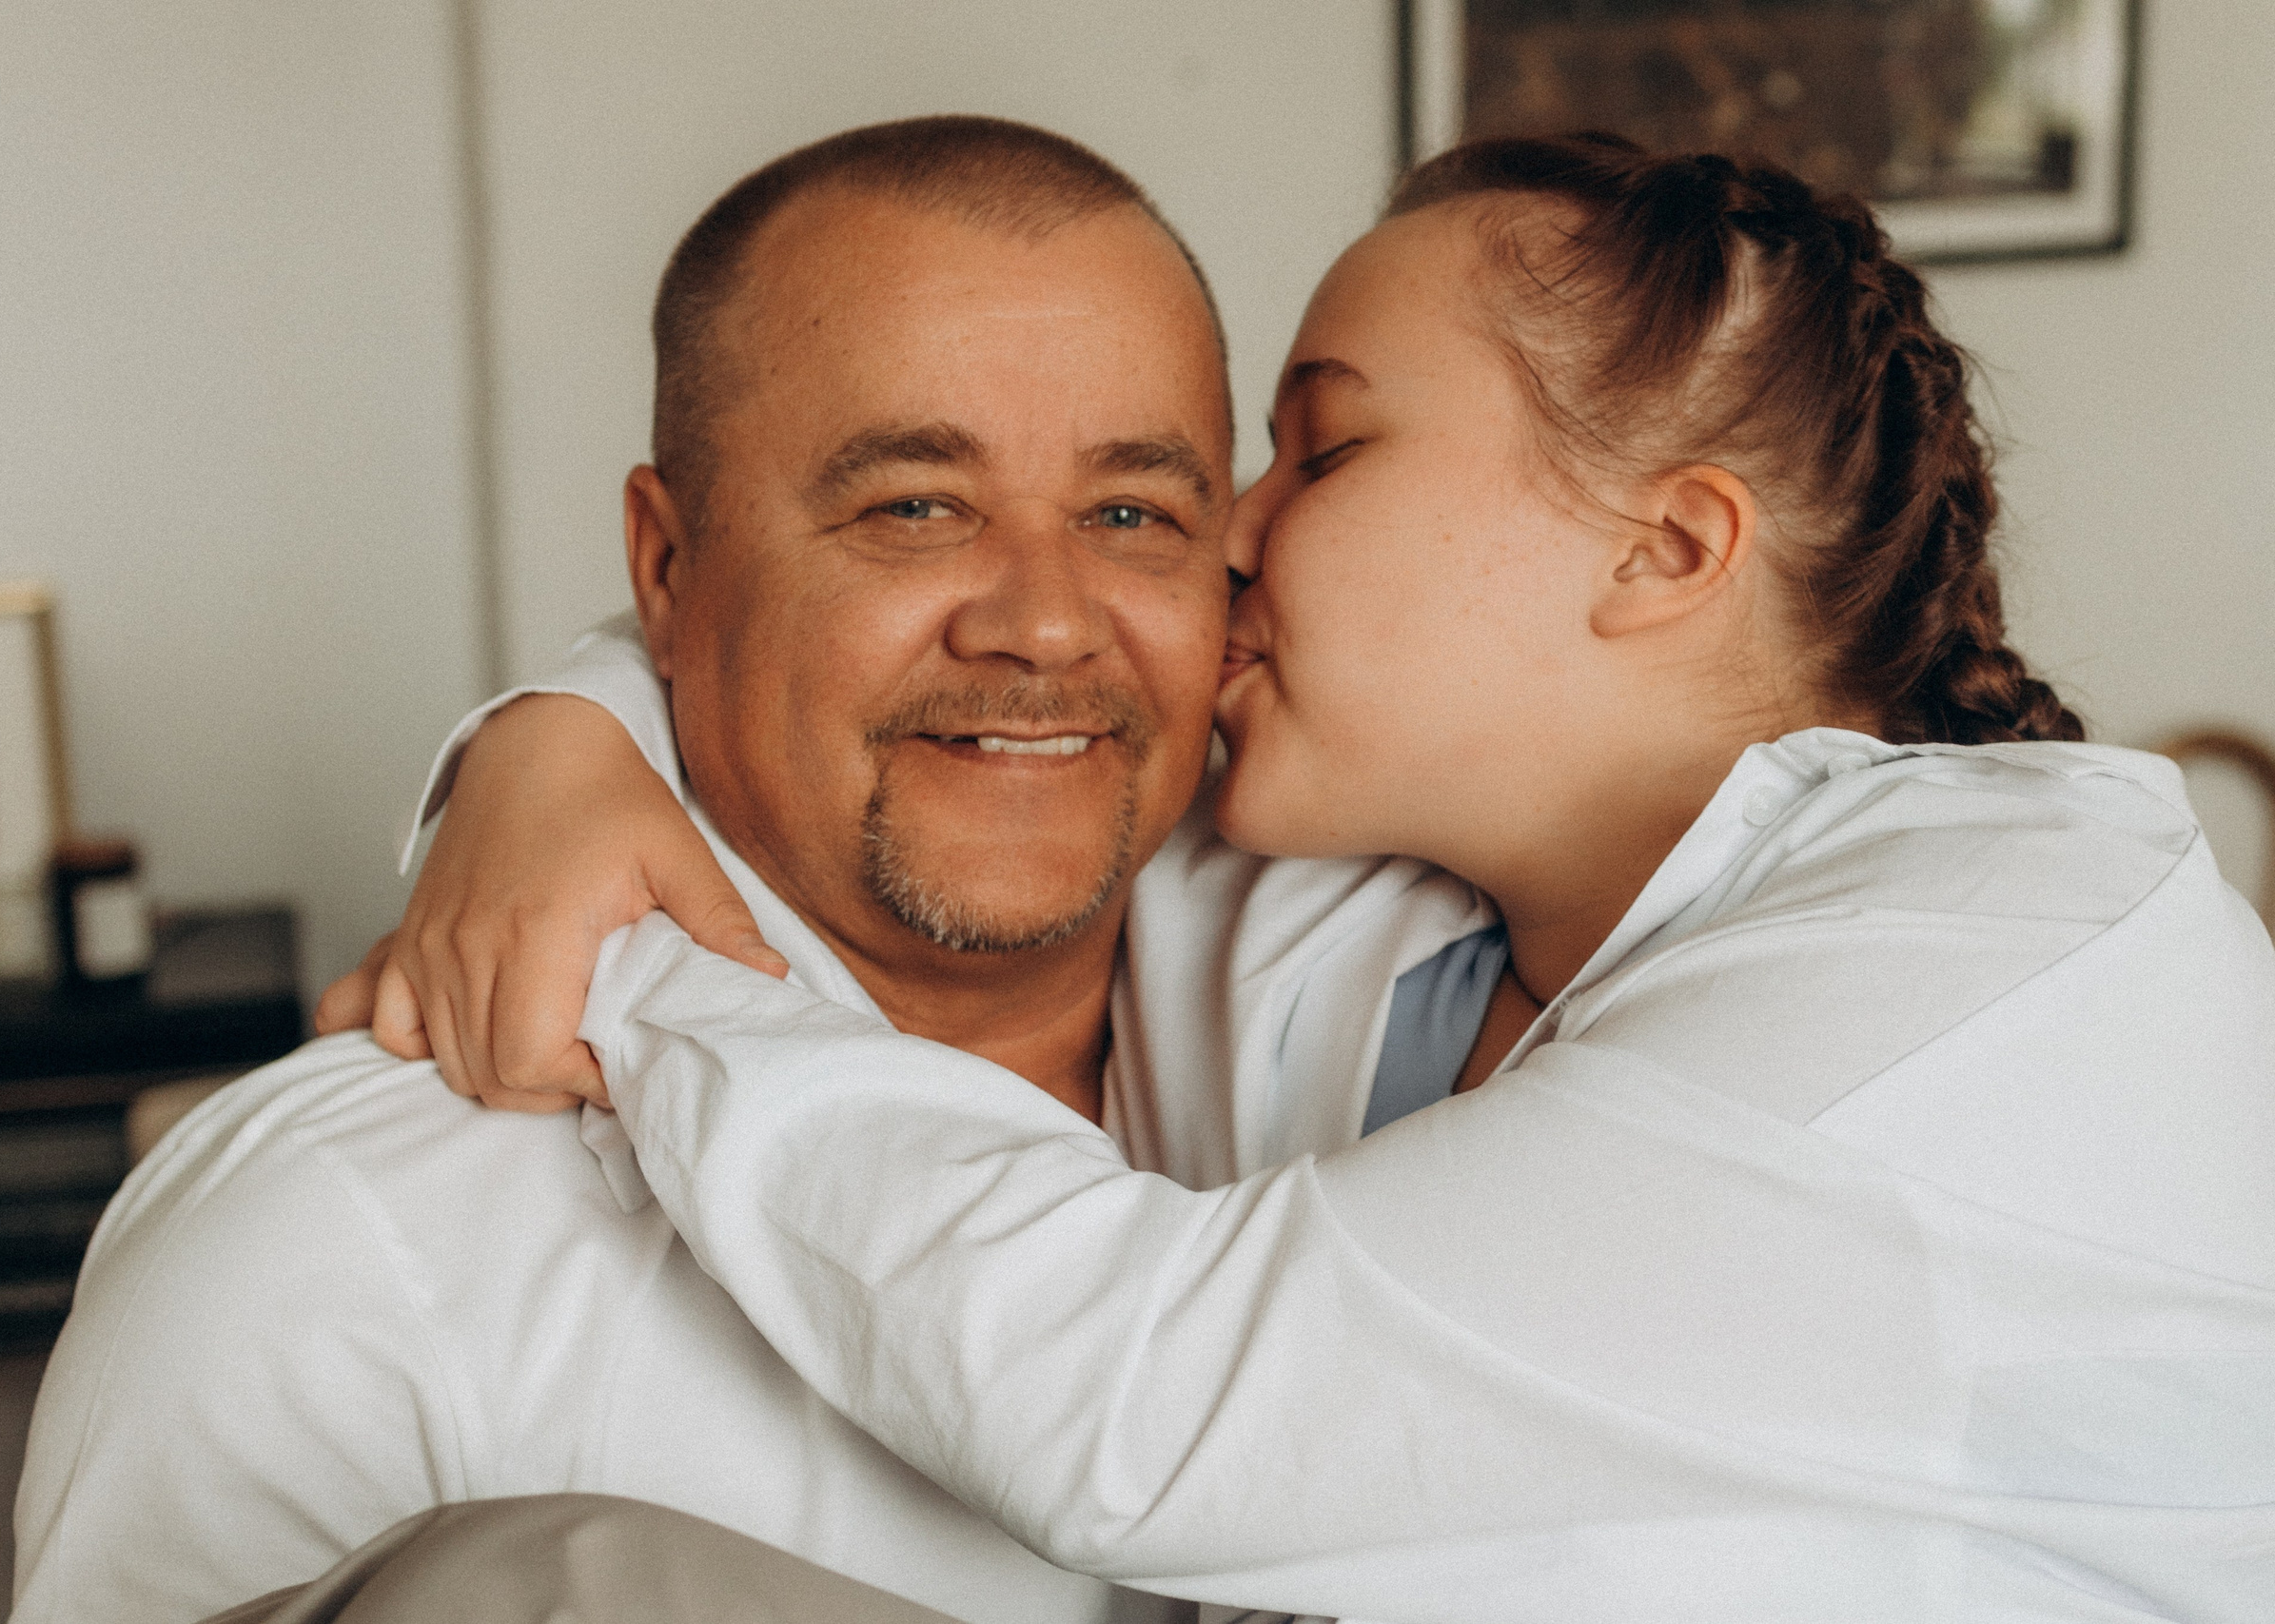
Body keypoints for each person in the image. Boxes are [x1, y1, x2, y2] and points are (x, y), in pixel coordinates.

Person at [364, 136, 2275, 1619]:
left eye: (1321, 447)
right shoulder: (1362, 905)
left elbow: (1130, 1396)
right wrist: (554, 743)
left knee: (523, 1592)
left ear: (1662, 550)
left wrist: (627, 945)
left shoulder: (1997, 944)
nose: (1226, 540)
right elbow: (899, 672)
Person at [12, 115, 1493, 1624]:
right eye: (915, 507)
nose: (1048, 624)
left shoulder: (1461, 1037)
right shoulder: (331, 1249)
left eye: (1132, 515)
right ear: (668, 569)